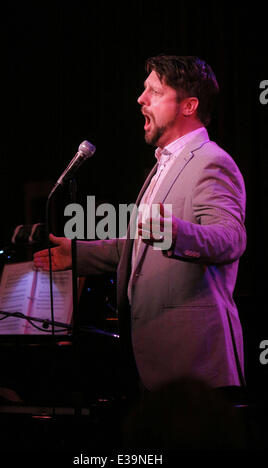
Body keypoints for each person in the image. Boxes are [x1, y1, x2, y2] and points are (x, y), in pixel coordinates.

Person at [34, 55, 246, 393]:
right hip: (155, 364)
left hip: (194, 366)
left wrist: (175, 233)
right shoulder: (161, 165)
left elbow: (230, 239)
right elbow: (140, 246)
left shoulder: (211, 162)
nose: (141, 99)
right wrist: (77, 254)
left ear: (188, 106)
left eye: (155, 92)